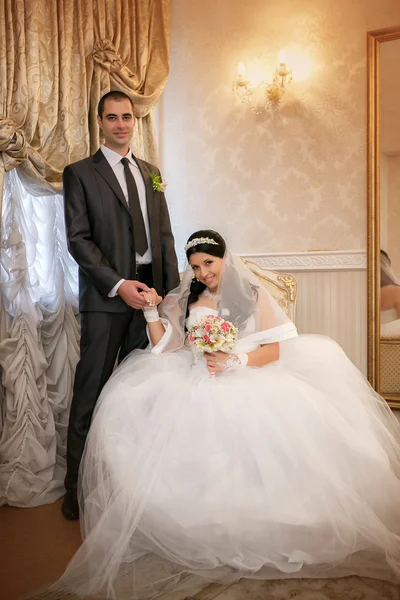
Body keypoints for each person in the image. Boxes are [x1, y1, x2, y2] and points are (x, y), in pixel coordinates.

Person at [56, 230, 400, 598]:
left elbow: (274, 352)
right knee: (141, 408)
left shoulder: (253, 295)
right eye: (195, 267)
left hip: (250, 373)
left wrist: (235, 360)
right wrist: (152, 312)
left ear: (224, 259)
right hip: (196, 376)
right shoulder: (191, 299)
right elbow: (167, 347)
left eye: (209, 263)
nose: (203, 273)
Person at [61, 91, 179, 520]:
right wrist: (117, 284)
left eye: (127, 116)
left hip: (150, 299)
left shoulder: (151, 173)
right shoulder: (79, 173)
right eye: (111, 117)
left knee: (141, 396)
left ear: (135, 120)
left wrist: (167, 292)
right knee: (90, 394)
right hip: (107, 298)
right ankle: (75, 494)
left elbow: (163, 234)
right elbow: (78, 239)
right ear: (100, 122)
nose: (120, 124)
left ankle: (132, 490)